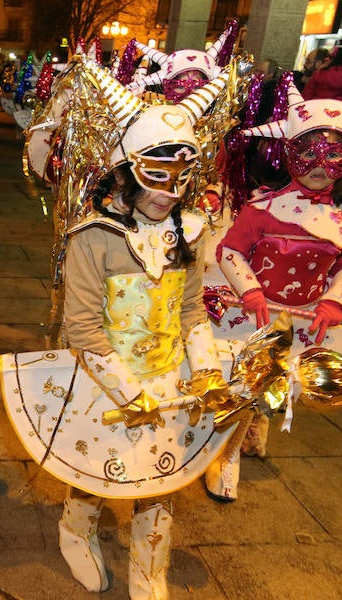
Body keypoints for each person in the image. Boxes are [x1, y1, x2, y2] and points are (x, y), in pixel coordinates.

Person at [54, 67, 230, 598]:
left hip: (168, 379)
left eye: (181, 179)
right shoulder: (93, 238)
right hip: (104, 381)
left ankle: (150, 570)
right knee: (96, 470)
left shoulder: (190, 232)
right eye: (155, 176)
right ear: (124, 171)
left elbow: (192, 311)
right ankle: (75, 531)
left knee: (161, 481)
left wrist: (207, 372)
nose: (169, 193)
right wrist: (129, 394)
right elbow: (83, 327)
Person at [208, 82, 342, 500]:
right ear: (287, 152)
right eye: (307, 153)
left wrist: (334, 302)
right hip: (253, 315)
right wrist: (250, 292)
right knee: (240, 383)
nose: (319, 165)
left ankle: (255, 426)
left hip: (305, 317)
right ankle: (225, 455)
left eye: (333, 155)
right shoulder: (261, 208)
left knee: (276, 382)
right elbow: (230, 251)